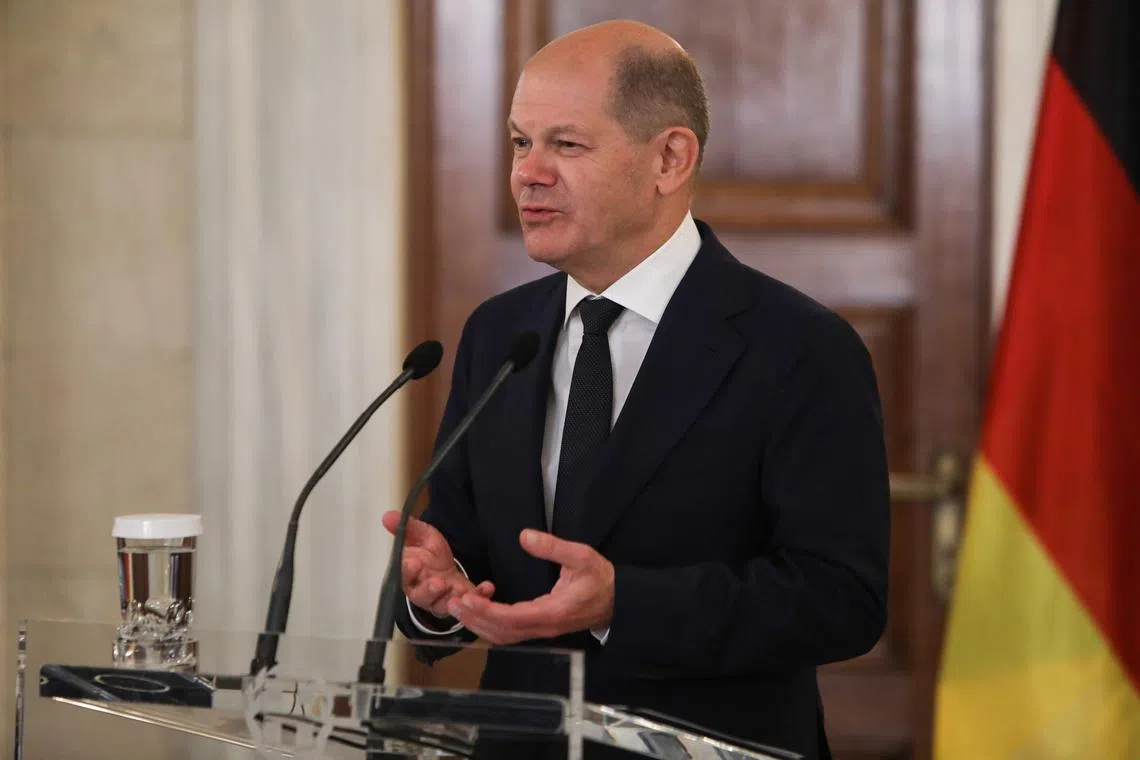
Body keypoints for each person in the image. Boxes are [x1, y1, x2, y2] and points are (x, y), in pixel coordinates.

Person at [385, 19, 890, 760]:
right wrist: (436, 593)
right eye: (521, 142)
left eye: (566, 144)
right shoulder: (500, 334)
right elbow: (466, 552)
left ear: (670, 158)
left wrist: (626, 602)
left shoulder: (799, 347)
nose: (528, 172)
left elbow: (843, 600)